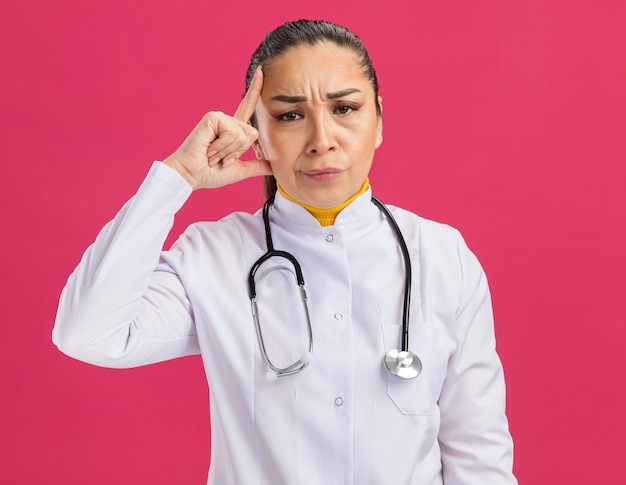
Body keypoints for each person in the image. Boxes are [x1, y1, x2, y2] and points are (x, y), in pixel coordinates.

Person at [53, 19, 517, 485]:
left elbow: (479, 458)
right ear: (255, 130)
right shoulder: (212, 256)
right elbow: (86, 332)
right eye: (290, 115)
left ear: (378, 120)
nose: (321, 139)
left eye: (345, 108)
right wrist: (178, 177)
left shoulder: (442, 256)